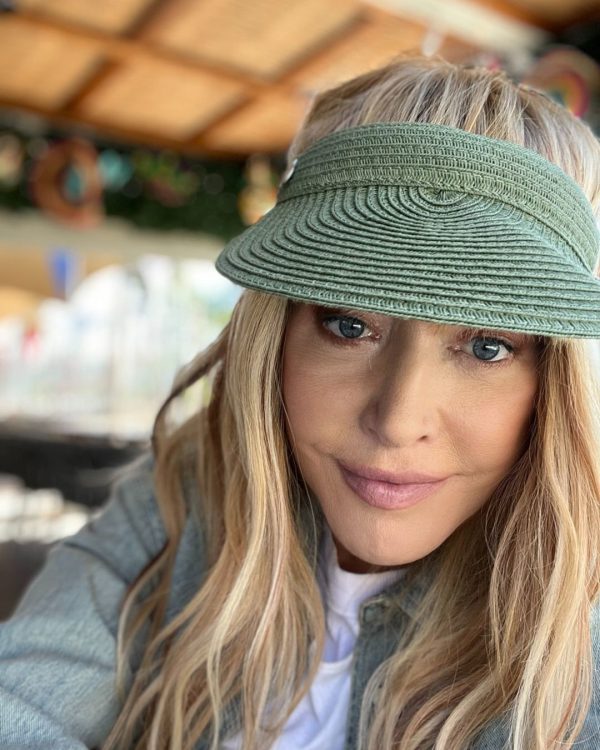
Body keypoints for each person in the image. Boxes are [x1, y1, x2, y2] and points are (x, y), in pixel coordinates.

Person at [1, 55, 600, 750]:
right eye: (348, 325)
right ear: (275, 336)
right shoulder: (187, 495)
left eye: (488, 346)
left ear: (555, 384)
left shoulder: (579, 634)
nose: (397, 420)